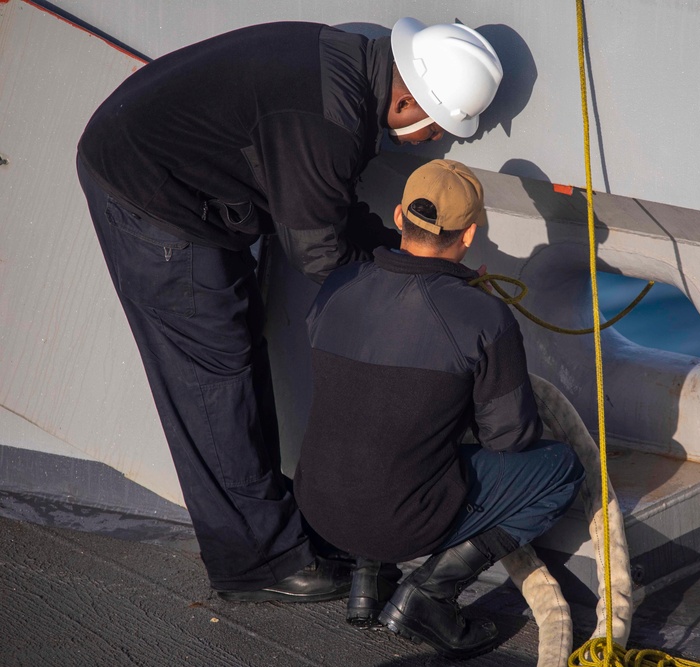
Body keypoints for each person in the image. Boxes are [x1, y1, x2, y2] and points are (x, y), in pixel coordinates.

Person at [75, 18, 503, 602]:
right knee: (214, 378)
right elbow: (322, 256)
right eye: (438, 127)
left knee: (238, 352)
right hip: (149, 196)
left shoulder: (343, 66)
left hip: (167, 167)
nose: (438, 142)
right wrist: (419, 304)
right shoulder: (331, 124)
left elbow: (326, 207)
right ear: (406, 99)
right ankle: (256, 561)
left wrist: (403, 263)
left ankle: (272, 527)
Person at [294, 159, 585, 659]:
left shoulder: (337, 286)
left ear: (400, 213)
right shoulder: (482, 314)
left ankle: (369, 582)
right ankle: (430, 594)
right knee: (559, 471)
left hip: (319, 508)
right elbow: (509, 439)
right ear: (468, 236)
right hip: (400, 523)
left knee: (374, 421)